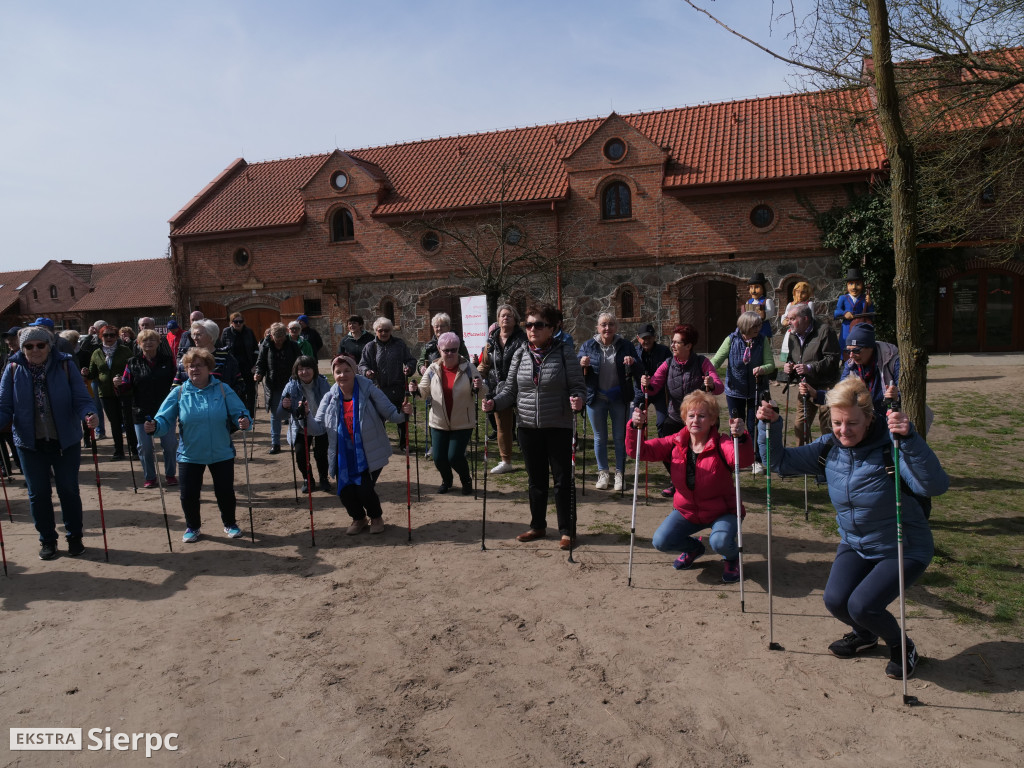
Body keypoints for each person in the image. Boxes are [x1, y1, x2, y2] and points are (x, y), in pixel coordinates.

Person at [757, 376, 948, 680]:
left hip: (903, 545)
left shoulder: (892, 448)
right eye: (836, 423)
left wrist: (910, 439)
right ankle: (866, 635)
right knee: (835, 600)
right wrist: (771, 425)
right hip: (856, 543)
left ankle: (902, 646)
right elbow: (778, 463)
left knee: (862, 605)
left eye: (852, 424)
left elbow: (934, 486)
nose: (843, 431)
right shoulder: (828, 448)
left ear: (870, 418)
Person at [483, 303, 585, 549]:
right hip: (528, 426)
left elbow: (578, 385)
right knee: (536, 481)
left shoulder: (564, 352)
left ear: (552, 328)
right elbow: (510, 390)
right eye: (528, 325)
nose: (532, 329)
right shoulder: (520, 353)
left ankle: (566, 531)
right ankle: (538, 526)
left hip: (558, 426)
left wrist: (578, 400)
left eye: (538, 325)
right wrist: (494, 402)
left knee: (562, 481)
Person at [627, 390, 752, 582]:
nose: (696, 420)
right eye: (691, 415)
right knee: (661, 541)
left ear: (712, 420)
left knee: (719, 542)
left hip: (723, 511)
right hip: (688, 511)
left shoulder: (723, 442)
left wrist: (741, 438)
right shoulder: (675, 442)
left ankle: (732, 558)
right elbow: (640, 451)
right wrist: (635, 427)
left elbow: (741, 460)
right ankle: (694, 548)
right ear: (684, 419)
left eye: (702, 416)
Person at [0, 326, 99, 559]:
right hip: (29, 443)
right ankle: (47, 540)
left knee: (68, 490)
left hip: (65, 441)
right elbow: (4, 406)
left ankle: (74, 536)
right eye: (28, 346)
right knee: (38, 494)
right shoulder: (13, 369)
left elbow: (82, 398)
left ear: (49, 346)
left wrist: (89, 414)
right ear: (22, 348)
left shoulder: (65, 365)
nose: (35, 350)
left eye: (40, 345)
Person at [145, 348, 252, 543]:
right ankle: (192, 527)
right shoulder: (178, 392)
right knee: (188, 495)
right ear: (185, 369)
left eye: (199, 365)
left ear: (208, 368)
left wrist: (243, 421)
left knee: (225, 492)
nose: (194, 369)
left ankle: (230, 523)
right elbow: (163, 419)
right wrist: (155, 426)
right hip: (190, 454)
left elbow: (240, 413)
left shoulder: (223, 389)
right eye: (190, 366)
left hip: (221, 452)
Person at [316, 354, 411, 535]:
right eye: (338, 372)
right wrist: (302, 417)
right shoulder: (330, 397)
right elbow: (317, 426)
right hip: (342, 455)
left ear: (354, 371)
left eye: (346, 371)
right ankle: (358, 518)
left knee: (364, 489)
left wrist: (404, 414)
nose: (342, 375)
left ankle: (376, 517)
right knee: (345, 492)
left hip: (369, 451)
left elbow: (391, 413)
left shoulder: (369, 390)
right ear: (333, 375)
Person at [636, 324, 723, 497]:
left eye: (677, 342)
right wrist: (646, 383)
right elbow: (653, 387)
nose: (672, 346)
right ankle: (678, 481)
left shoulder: (701, 362)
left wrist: (711, 384)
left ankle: (701, 482)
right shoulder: (668, 364)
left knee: (696, 452)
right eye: (672, 342)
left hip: (700, 418)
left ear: (688, 345)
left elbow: (719, 386)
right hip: (676, 416)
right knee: (665, 447)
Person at [577, 312, 641, 491]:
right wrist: (581, 362)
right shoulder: (588, 345)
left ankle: (620, 474)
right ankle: (603, 472)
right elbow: (576, 366)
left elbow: (639, 368)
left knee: (620, 437)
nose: (607, 328)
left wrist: (633, 361)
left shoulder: (626, 345)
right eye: (604, 325)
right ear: (597, 328)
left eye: (611, 324)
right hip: (596, 397)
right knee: (599, 437)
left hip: (619, 398)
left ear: (616, 327)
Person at [419, 332, 487, 495]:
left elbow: (483, 393)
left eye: (453, 350)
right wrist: (414, 390)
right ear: (439, 349)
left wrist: (479, 386)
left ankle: (466, 480)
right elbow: (423, 391)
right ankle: (447, 480)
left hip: (462, 421)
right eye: (446, 350)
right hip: (438, 420)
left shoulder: (468, 368)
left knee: (454, 457)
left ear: (458, 349)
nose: (450, 353)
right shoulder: (433, 368)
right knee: (438, 458)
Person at [710, 311, 776, 474]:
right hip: (735, 390)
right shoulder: (731, 340)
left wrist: (762, 369)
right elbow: (716, 360)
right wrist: (707, 372)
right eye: (756, 326)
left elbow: (771, 364)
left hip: (757, 390)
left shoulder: (762, 341)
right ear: (746, 326)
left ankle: (756, 459)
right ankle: (736, 458)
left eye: (759, 325)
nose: (759, 328)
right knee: (737, 424)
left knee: (755, 426)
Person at [116, 329, 178, 488]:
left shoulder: (168, 361)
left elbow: (176, 383)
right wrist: (118, 386)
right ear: (139, 343)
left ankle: (170, 475)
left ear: (158, 342)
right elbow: (126, 386)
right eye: (144, 340)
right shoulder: (132, 362)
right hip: (141, 410)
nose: (148, 343)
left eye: (152, 339)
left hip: (165, 410)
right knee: (144, 447)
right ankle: (150, 477)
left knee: (170, 445)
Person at [779, 302, 840, 444]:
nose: (789, 322)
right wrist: (789, 366)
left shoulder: (825, 331)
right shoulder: (793, 335)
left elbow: (832, 359)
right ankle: (802, 458)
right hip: (805, 386)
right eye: (788, 319)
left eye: (792, 319)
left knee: (827, 427)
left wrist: (810, 368)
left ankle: (829, 458)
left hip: (826, 386)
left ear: (805, 318)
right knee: (800, 427)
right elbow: (793, 357)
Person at [477, 304, 527, 475]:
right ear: (498, 320)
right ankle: (506, 460)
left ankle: (530, 457)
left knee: (525, 425)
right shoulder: (490, 343)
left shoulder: (524, 340)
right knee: (502, 426)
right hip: (497, 388)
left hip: (521, 388)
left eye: (509, 315)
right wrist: (475, 375)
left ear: (515, 320)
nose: (505, 318)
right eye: (502, 315)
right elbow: (485, 364)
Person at [358, 317, 416, 448]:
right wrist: (366, 371)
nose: (383, 333)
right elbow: (362, 364)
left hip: (397, 387)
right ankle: (382, 443)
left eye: (387, 330)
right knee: (378, 418)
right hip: (378, 388)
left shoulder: (399, 344)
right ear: (375, 331)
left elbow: (411, 360)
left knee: (401, 416)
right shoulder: (370, 346)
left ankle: (404, 443)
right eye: (380, 330)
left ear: (391, 331)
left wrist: (409, 368)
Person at [279, 355, 332, 494]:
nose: (304, 372)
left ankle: (323, 478)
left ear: (314, 369)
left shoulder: (322, 383)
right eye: (301, 369)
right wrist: (285, 406)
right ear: (296, 371)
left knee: (321, 454)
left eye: (308, 368)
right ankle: (307, 479)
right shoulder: (291, 386)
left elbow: (331, 404)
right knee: (301, 454)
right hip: (300, 426)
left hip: (321, 424)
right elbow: (280, 412)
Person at [88, 323, 137, 460]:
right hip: (106, 393)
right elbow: (92, 374)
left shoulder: (125, 350)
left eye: (112, 335)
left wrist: (123, 378)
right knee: (114, 423)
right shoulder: (96, 353)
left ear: (116, 337)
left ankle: (134, 450)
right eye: (105, 335)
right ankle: (119, 452)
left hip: (124, 392)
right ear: (100, 337)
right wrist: (85, 372)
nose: (109, 338)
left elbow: (133, 370)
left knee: (128, 422)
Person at [255, 322, 301, 454]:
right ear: (272, 336)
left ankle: (294, 439)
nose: (280, 341)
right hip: (273, 384)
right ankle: (275, 443)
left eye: (282, 338)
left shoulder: (292, 345)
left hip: (291, 383)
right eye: (277, 338)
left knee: (294, 412)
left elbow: (299, 362)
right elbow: (261, 363)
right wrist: (258, 373)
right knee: (275, 415)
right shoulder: (266, 345)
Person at [172, 319, 245, 399]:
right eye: (193, 335)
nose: (195, 338)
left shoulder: (226, 358)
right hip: (190, 407)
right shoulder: (187, 358)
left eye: (199, 334)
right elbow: (176, 385)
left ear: (211, 336)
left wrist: (225, 398)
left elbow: (239, 383)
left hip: (220, 408)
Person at [220, 312, 259, 415]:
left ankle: (250, 414)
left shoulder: (249, 332)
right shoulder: (226, 332)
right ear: (231, 322)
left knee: (250, 390)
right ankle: (239, 412)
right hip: (233, 367)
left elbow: (256, 350)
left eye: (240, 321)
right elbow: (222, 349)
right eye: (235, 322)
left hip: (248, 366)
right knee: (237, 390)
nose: (238, 324)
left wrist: (255, 365)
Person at [834, 267, 874, 352]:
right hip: (847, 329)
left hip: (861, 329)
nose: (854, 287)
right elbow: (836, 312)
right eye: (851, 284)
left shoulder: (865, 298)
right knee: (846, 349)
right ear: (847, 285)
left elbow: (871, 316)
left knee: (860, 348)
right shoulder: (843, 298)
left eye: (857, 284)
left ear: (862, 285)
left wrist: (870, 304)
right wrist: (845, 313)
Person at [745, 272, 775, 338]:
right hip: (751, 331)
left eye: (757, 287)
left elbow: (769, 313)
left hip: (763, 330)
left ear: (763, 288)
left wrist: (760, 313)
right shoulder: (748, 302)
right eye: (751, 287)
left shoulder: (767, 301)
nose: (753, 291)